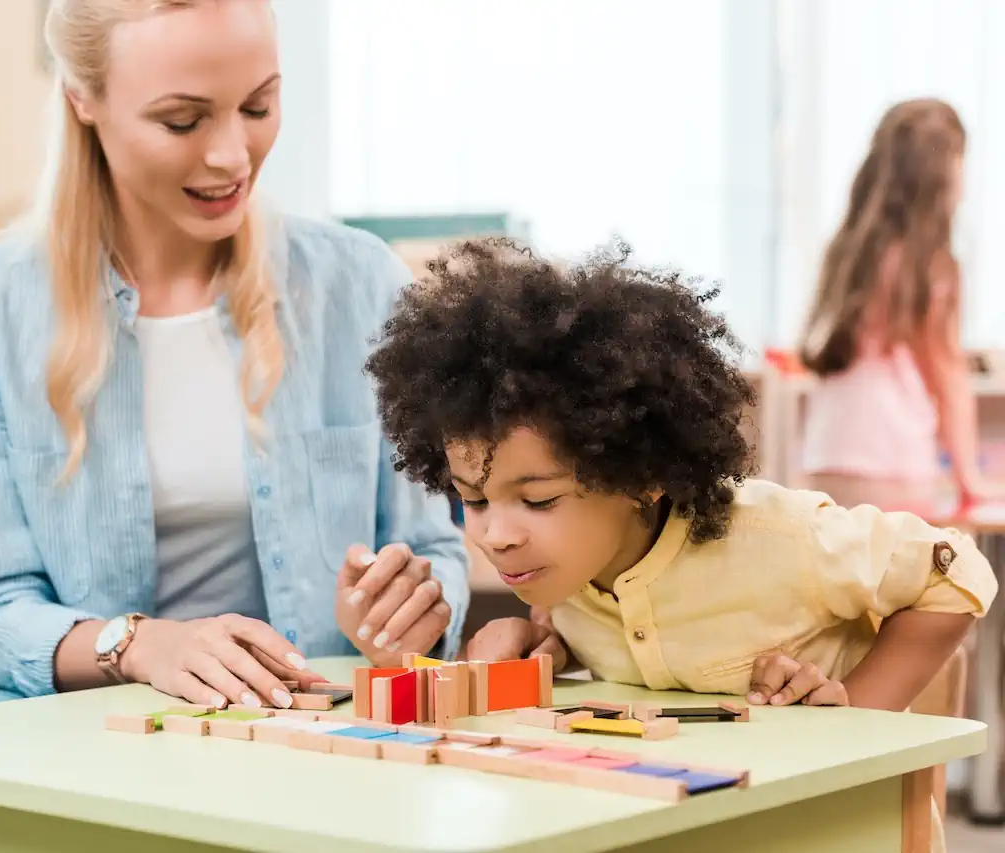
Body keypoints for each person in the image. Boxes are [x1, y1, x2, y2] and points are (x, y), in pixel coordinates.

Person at [0, 0, 468, 711]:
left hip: (308, 742)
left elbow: (433, 550)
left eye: (259, 105)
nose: (232, 155)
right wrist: (141, 646)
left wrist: (412, 618)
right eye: (183, 120)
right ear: (82, 97)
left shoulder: (361, 286)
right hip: (74, 741)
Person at [362, 236, 996, 717]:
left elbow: (958, 571)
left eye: (539, 500)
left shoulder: (783, 540)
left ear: (641, 474)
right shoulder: (569, 579)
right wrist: (540, 639)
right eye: (472, 500)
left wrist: (853, 715)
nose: (496, 535)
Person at [798, 98, 1000, 514]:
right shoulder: (931, 264)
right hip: (891, 461)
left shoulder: (846, 251)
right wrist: (970, 479)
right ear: (944, 173)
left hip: (825, 455)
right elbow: (946, 372)